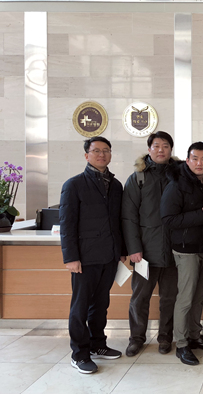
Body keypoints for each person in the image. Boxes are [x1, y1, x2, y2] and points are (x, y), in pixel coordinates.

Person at [59, 136, 125, 374]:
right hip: (85, 258)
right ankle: (79, 354)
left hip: (109, 256)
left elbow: (118, 221)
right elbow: (67, 223)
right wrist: (70, 257)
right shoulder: (74, 184)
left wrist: (122, 251)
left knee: (101, 304)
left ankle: (98, 344)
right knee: (80, 307)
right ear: (86, 155)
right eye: (96, 151)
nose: (101, 154)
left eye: (106, 150)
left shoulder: (115, 185)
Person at [160, 142, 203, 366]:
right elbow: (168, 219)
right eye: (195, 158)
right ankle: (182, 344)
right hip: (185, 249)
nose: (199, 163)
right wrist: (200, 215)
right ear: (187, 160)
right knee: (185, 298)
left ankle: (195, 335)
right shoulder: (177, 184)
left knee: (199, 297)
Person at [122, 131, 178, 357]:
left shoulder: (179, 175)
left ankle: (165, 338)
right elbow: (128, 217)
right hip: (145, 252)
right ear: (149, 149)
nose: (161, 150)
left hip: (174, 251)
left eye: (165, 146)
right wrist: (134, 248)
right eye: (156, 145)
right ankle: (136, 338)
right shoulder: (138, 178)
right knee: (140, 298)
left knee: (169, 299)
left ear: (171, 150)